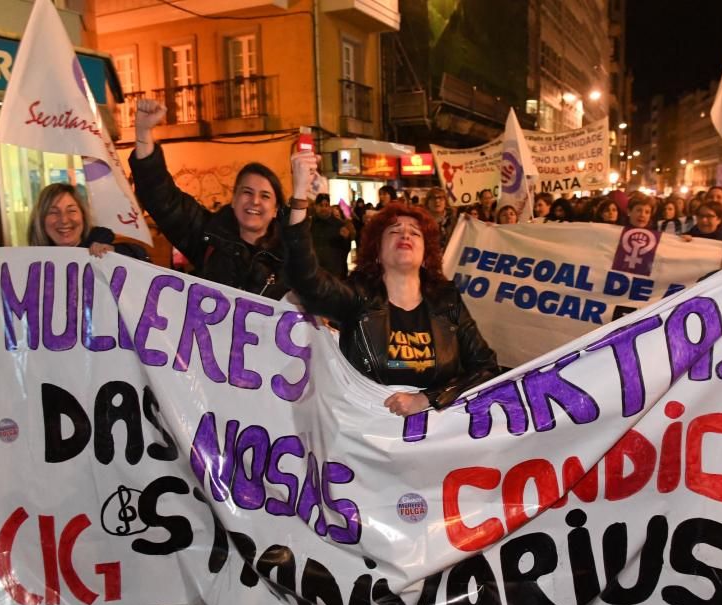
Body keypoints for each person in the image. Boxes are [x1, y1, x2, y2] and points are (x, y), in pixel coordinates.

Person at [282, 151, 499, 415]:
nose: (405, 234)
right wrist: (300, 196)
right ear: (377, 250)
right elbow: (306, 281)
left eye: (415, 233)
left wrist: (428, 399)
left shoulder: (447, 299)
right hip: (366, 438)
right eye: (394, 231)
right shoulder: (358, 297)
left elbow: (486, 369)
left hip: (436, 444)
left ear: (426, 252)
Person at [128, 98, 289, 298]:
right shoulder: (209, 236)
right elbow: (162, 199)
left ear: (275, 209)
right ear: (234, 199)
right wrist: (143, 133)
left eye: (265, 196)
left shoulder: (290, 257)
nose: (254, 201)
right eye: (247, 192)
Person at [0, 182, 148, 278]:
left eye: (71, 210)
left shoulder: (99, 243)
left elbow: (141, 256)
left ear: (83, 216)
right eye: (53, 212)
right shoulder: (29, 262)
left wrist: (115, 252)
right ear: (41, 220)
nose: (64, 220)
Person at [309, 193, 355, 279]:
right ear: (315, 206)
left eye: (326, 205)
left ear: (329, 207)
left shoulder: (339, 224)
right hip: (315, 272)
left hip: (334, 274)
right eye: (320, 205)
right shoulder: (309, 224)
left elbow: (345, 250)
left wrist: (346, 238)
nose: (324, 208)